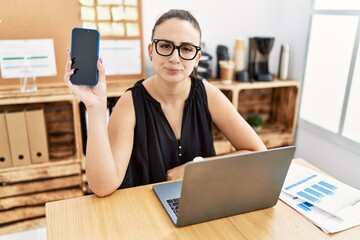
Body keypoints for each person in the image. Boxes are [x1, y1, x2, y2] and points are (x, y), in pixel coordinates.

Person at [64, 9, 266, 197]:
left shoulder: (208, 94)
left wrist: (196, 168)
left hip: (198, 203)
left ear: (197, 58)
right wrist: (96, 107)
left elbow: (259, 155)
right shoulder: (130, 103)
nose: (174, 58)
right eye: (165, 46)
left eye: (186, 49)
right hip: (147, 212)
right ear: (151, 50)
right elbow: (102, 186)